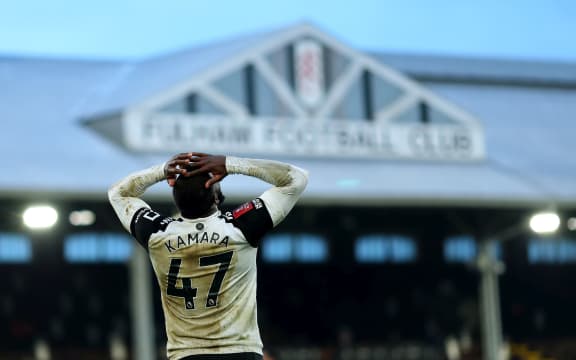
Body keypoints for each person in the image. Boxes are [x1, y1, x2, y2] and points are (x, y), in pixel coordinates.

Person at [108, 152, 308, 360]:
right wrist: (230, 164)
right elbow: (296, 178)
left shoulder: (156, 234)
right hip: (240, 352)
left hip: (186, 354)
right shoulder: (240, 227)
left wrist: (161, 171)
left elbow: (118, 193)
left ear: (176, 198)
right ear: (215, 197)